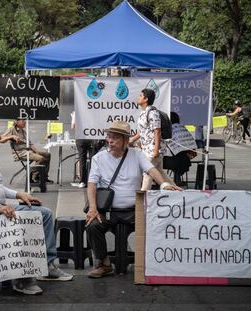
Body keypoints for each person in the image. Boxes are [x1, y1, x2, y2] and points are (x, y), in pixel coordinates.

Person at [0, 116, 72, 295]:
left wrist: (18, 194)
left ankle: (47, 265)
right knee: (23, 220)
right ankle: (22, 279)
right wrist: (0, 208)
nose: (0, 138)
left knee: (45, 213)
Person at [86, 121, 181, 278]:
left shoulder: (136, 155)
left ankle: (154, 262)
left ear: (125, 140)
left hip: (134, 210)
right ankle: (103, 263)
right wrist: (93, 208)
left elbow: (151, 170)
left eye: (115, 138)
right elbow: (91, 185)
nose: (110, 141)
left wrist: (164, 184)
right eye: (109, 137)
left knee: (158, 223)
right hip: (109, 211)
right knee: (92, 225)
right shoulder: (99, 158)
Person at [129, 88, 175, 190]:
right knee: (160, 173)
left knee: (147, 173)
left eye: (140, 96)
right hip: (148, 149)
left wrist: (155, 151)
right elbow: (142, 131)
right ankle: (177, 191)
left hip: (153, 149)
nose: (138, 97)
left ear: (146, 99)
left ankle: (142, 199)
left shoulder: (153, 113)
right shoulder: (143, 113)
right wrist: (132, 140)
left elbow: (157, 131)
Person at [0, 118, 53, 183]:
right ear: (17, 122)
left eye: (24, 120)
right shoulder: (12, 129)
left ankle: (44, 177)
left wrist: (37, 151)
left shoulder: (23, 131)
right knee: (40, 158)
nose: (24, 122)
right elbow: (1, 140)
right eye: (22, 121)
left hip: (29, 150)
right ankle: (35, 177)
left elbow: (30, 143)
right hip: (20, 153)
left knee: (47, 155)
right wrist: (11, 136)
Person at [71, 111, 105, 188]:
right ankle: (94, 180)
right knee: (94, 159)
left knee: (82, 159)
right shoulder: (94, 111)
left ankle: (82, 181)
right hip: (91, 137)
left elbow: (73, 126)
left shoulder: (76, 112)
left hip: (81, 138)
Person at [164, 112, 197, 185]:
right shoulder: (183, 129)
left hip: (167, 161)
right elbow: (191, 145)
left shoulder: (165, 129)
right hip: (184, 162)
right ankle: (177, 177)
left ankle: (162, 181)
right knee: (180, 155)